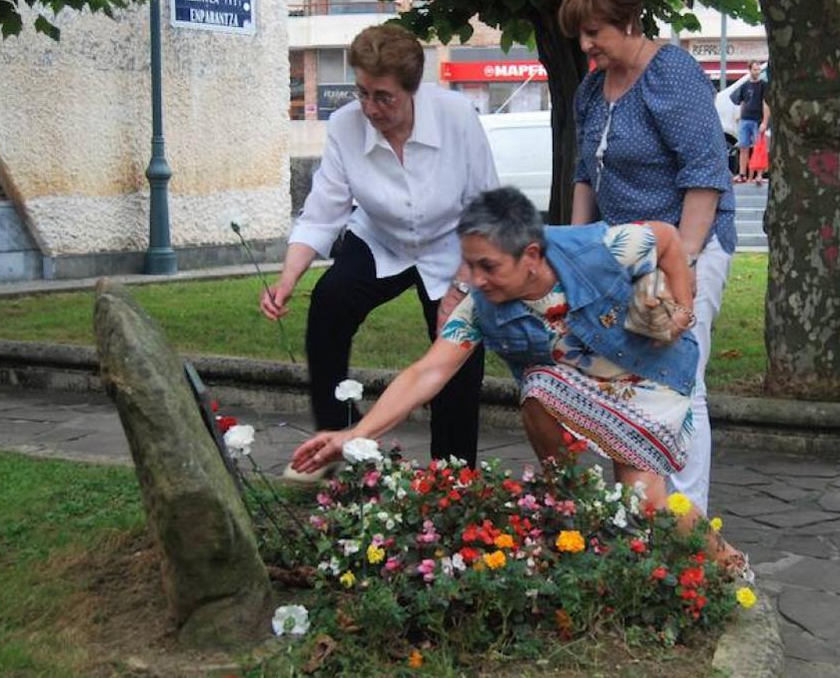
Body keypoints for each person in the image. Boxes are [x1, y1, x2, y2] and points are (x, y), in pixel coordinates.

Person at [290, 187, 745, 567]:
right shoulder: (482, 306)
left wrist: (682, 310)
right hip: (583, 385)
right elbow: (428, 370)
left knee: (646, 505)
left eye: (488, 266)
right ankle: (570, 508)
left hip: (652, 376)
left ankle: (729, 565)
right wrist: (354, 434)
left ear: (530, 255)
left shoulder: (594, 249)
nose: (476, 280)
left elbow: (666, 239)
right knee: (539, 387)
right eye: (469, 265)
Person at [262, 24, 498, 477]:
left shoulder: (456, 117)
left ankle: (452, 476)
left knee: (459, 344)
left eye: (384, 97)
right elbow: (322, 213)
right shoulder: (345, 126)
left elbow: (486, 209)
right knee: (330, 302)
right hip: (380, 239)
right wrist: (287, 278)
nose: (370, 108)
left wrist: (462, 288)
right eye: (363, 93)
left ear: (412, 90)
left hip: (454, 246)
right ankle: (335, 442)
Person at [558, 0, 737, 513]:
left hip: (689, 244)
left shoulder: (672, 74)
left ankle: (688, 520)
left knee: (681, 381)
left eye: (594, 32)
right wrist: (580, 252)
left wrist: (682, 266)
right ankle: (643, 509)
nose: (586, 45)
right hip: (626, 253)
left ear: (629, 21)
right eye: (580, 34)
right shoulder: (592, 89)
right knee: (632, 380)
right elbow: (585, 174)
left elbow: (705, 174)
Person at [730, 61, 771, 184]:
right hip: (745, 119)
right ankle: (742, 174)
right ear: (749, 70)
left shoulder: (763, 85)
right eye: (755, 69)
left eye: (758, 70)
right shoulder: (745, 86)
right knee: (743, 147)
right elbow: (743, 102)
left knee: (759, 148)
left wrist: (765, 122)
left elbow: (766, 104)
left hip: (757, 119)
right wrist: (740, 116)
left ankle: (759, 175)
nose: (757, 72)